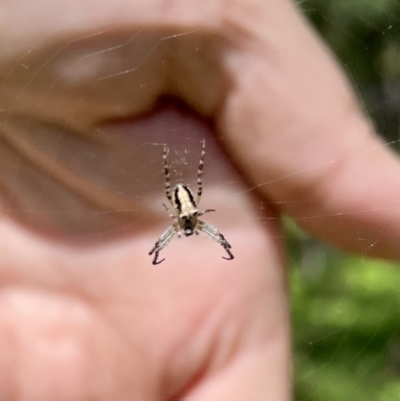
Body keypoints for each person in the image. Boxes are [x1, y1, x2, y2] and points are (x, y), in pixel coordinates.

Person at [0, 0, 399, 399]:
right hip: (183, 193)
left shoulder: (187, 218)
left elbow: (194, 223)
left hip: (184, 194)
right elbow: (183, 222)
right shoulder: (185, 217)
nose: (189, 228)